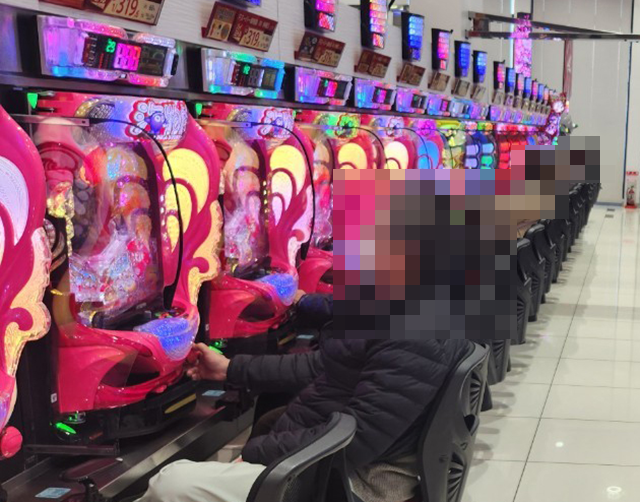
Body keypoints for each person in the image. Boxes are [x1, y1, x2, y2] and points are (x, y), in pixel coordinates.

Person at [136, 296, 471, 502]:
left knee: (171, 482)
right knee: (267, 422)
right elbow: (320, 365)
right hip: (335, 456)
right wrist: (230, 368)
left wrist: (258, 454)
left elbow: (358, 440)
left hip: (352, 482)